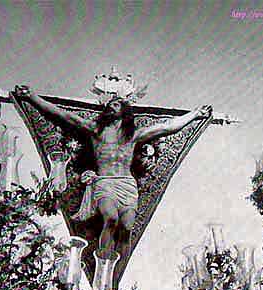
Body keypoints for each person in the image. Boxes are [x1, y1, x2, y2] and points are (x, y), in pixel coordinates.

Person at [18, 81, 212, 268]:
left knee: (127, 229)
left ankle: (113, 285)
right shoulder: (96, 130)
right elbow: (66, 117)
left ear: (125, 111)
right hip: (105, 182)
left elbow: (166, 127)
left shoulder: (133, 135)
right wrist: (32, 97)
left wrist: (195, 114)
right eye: (110, 104)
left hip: (128, 185)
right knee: (110, 218)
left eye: (117, 104)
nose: (112, 107)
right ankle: (103, 271)